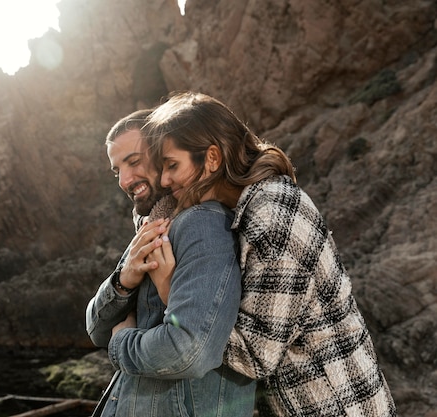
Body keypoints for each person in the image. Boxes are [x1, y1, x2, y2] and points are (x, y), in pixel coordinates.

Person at [143, 91, 397, 416]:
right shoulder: (249, 207)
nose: (165, 180)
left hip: (337, 405)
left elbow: (256, 353)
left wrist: (169, 289)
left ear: (212, 158)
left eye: (172, 165)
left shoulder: (273, 215)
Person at [85, 109, 256, 416]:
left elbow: (188, 351)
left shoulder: (202, 224)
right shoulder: (155, 223)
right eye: (116, 170)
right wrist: (124, 281)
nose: (124, 180)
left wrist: (120, 343)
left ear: (164, 151)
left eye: (134, 161)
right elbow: (96, 328)